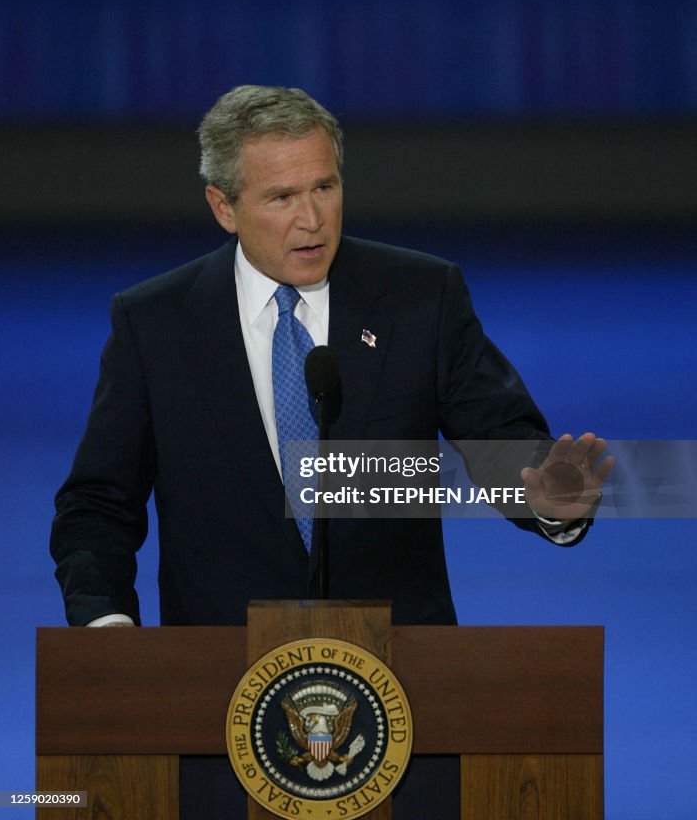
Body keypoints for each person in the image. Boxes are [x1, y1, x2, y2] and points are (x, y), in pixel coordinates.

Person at [50, 84, 611, 816]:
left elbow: (503, 443)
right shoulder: (154, 323)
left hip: (407, 699)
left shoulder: (420, 296)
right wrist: (111, 639)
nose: (311, 220)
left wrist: (547, 500)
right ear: (224, 206)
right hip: (220, 702)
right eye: (281, 197)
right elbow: (98, 504)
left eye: (325, 187)